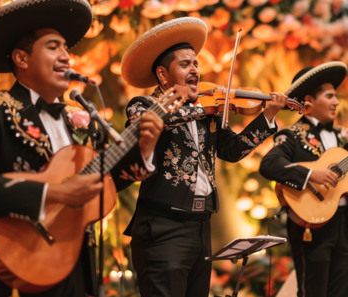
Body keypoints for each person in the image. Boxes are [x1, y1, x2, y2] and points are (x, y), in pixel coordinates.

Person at [0, 1, 164, 296]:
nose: (66, 57)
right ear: (21, 57)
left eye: (66, 48)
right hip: (12, 263)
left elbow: (99, 184)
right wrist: (53, 192)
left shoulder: (81, 119)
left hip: (75, 259)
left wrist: (144, 149)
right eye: (53, 47)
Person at [120, 17, 288, 297]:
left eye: (196, 63)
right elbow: (155, 121)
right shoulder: (143, 106)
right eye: (185, 64)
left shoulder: (206, 111)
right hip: (163, 228)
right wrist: (202, 109)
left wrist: (267, 116)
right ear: (163, 75)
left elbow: (233, 151)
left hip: (201, 226)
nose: (195, 70)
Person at [259, 61, 348, 297]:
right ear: (308, 100)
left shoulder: (344, 137)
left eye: (336, 96)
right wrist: (311, 174)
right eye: (329, 96)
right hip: (312, 224)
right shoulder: (293, 136)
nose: (336, 102)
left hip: (344, 222)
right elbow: (268, 164)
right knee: (312, 291)